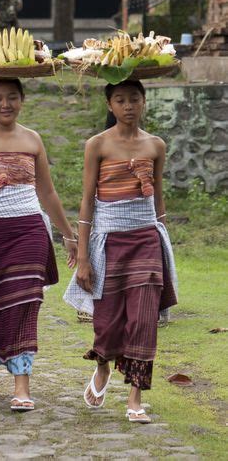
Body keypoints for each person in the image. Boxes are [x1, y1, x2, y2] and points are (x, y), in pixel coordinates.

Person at [0, 77, 77, 412]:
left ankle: (22, 385)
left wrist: (68, 234)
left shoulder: (32, 139)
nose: (5, 104)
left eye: (11, 98)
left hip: (29, 232)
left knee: (25, 301)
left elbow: (47, 193)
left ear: (22, 100)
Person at [64, 79, 177, 423]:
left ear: (144, 103)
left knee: (144, 321)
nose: (128, 106)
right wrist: (82, 257)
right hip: (109, 242)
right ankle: (103, 366)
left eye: (134, 99)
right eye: (120, 100)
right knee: (108, 324)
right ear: (109, 105)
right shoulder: (97, 145)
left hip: (146, 240)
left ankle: (135, 397)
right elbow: (87, 202)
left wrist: (163, 242)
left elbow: (157, 200)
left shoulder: (156, 145)